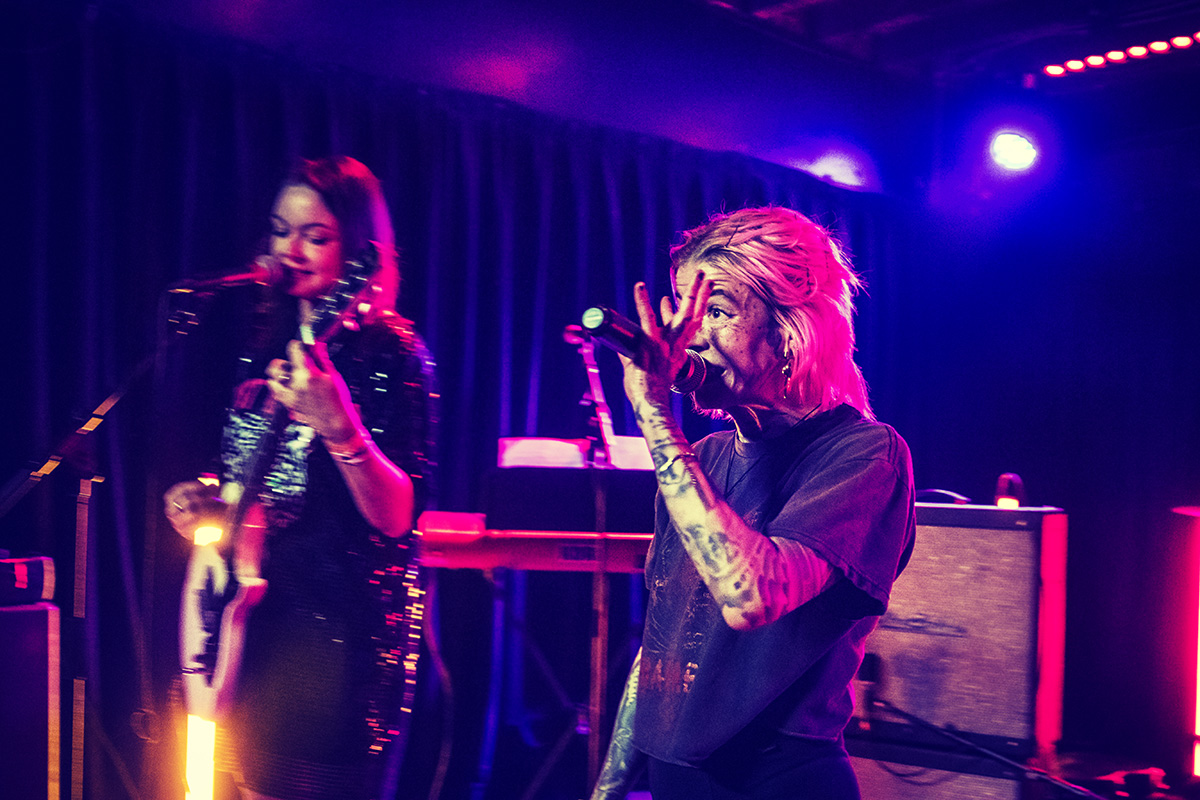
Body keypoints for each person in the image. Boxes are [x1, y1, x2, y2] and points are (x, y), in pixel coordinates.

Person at [589, 206, 915, 799]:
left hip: (775, 781)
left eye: (715, 312)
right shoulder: (703, 458)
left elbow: (752, 596)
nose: (689, 337)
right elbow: (663, 640)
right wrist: (608, 788)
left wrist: (655, 416)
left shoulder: (864, 455)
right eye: (683, 312)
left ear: (790, 331)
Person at [164, 156, 437, 800]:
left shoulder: (394, 355)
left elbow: (399, 516)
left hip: (334, 639)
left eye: (315, 236)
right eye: (281, 230)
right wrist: (208, 496)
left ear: (360, 252)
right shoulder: (266, 347)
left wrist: (342, 428)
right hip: (249, 623)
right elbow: (262, 486)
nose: (290, 250)